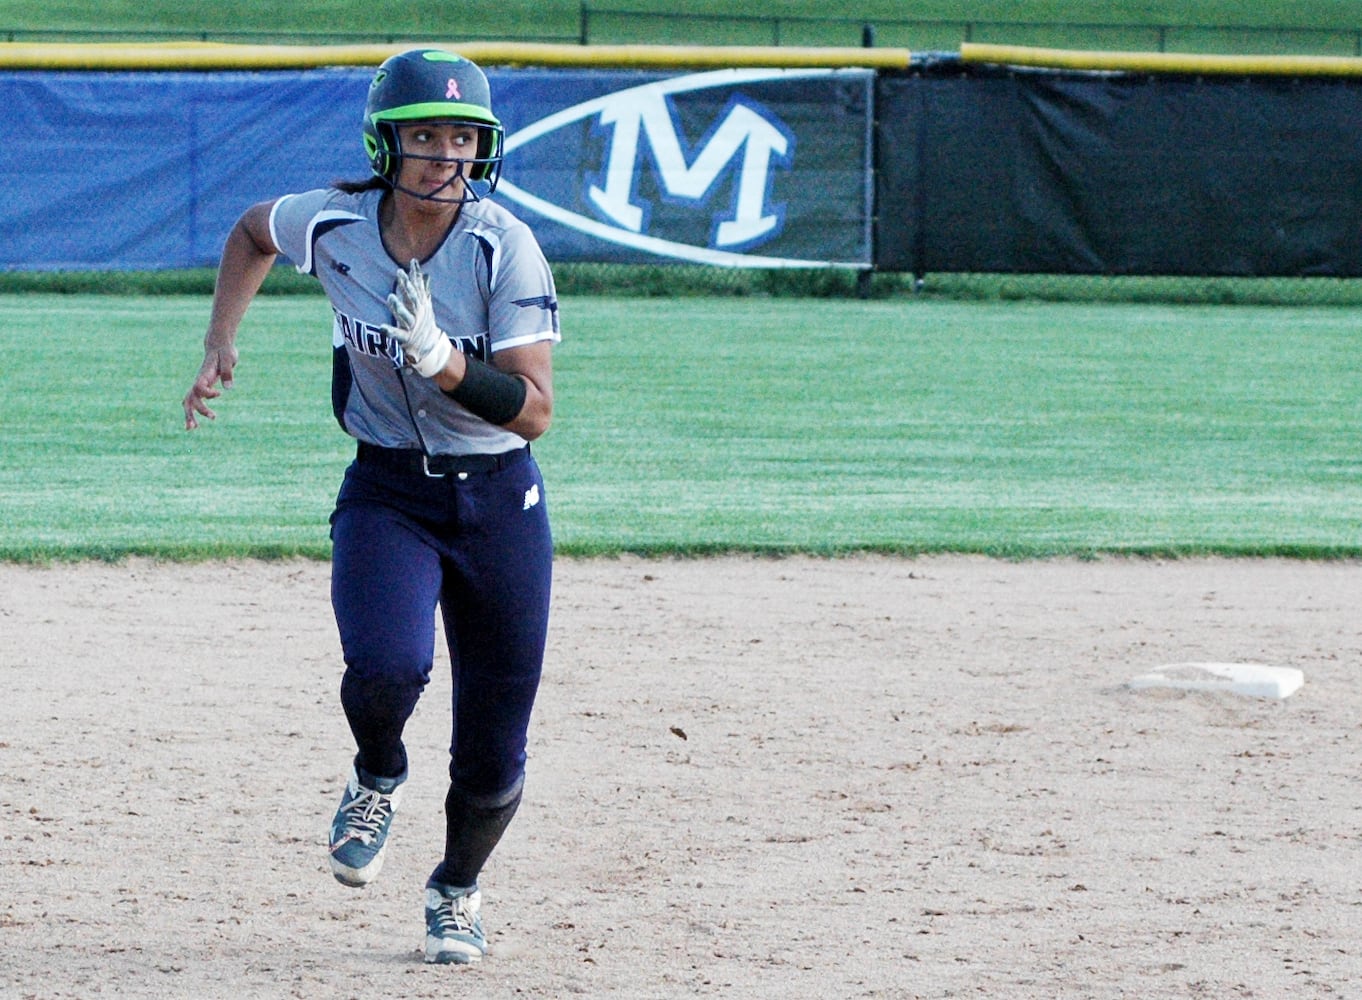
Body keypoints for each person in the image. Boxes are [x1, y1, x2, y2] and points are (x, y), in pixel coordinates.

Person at [182, 48, 560, 965]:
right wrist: (220, 337)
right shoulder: (339, 222)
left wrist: (444, 361)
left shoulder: (502, 244)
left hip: (502, 500)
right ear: (384, 143)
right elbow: (250, 232)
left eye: (465, 137)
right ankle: (376, 773)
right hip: (386, 489)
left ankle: (456, 891)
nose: (447, 157)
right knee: (387, 668)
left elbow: (536, 410)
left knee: (494, 748)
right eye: (424, 135)